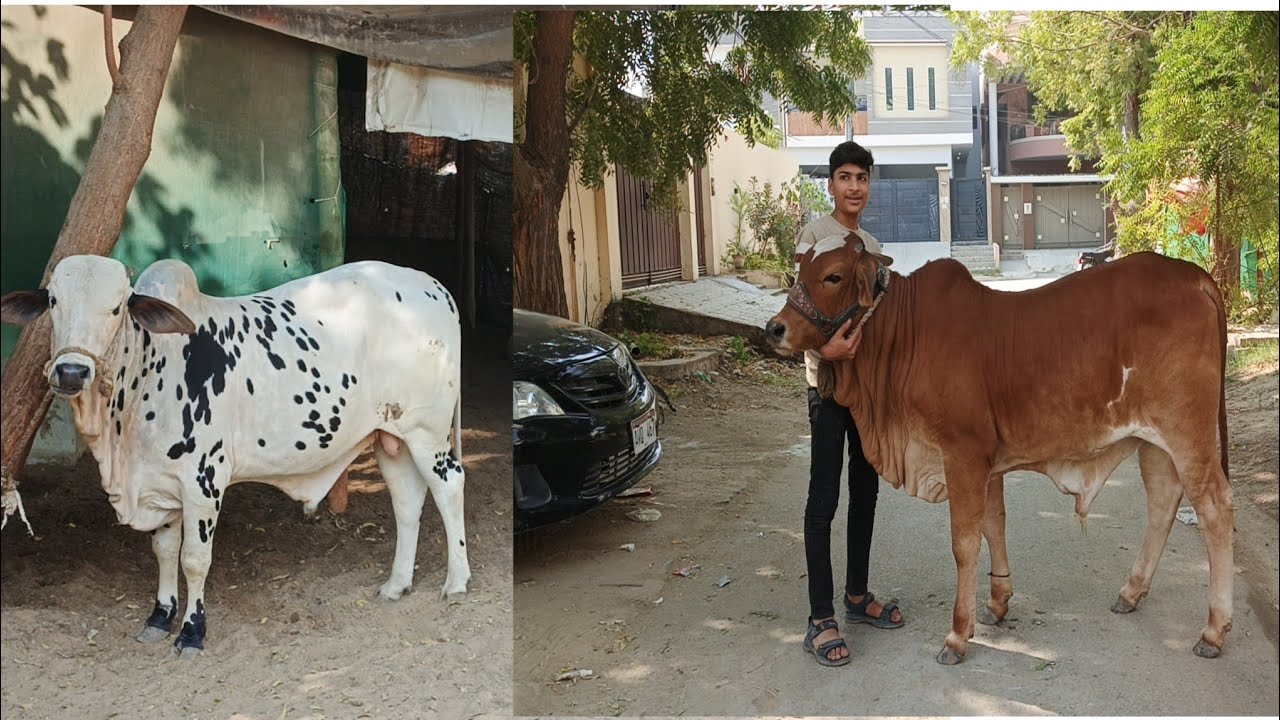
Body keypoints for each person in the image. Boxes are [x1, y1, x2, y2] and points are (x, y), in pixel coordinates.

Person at [798, 141, 905, 667]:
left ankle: (857, 597)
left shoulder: (872, 245)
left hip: (866, 394)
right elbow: (799, 306)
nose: (854, 186)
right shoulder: (815, 237)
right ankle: (820, 618)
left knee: (866, 493)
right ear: (831, 184)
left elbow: (880, 319)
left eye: (861, 177)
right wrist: (823, 347)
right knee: (824, 502)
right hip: (828, 390)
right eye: (844, 176)